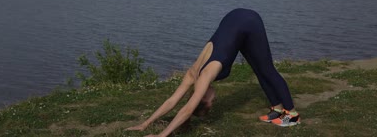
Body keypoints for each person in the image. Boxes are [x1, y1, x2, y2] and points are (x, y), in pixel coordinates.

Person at [126, 8, 300, 136]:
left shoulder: (203, 77)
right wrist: (145, 123)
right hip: (233, 19)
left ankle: (292, 115)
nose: (214, 99)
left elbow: (187, 109)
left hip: (248, 21)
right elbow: (171, 101)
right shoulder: (192, 74)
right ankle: (277, 110)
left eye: (211, 103)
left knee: (267, 69)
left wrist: (162, 135)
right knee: (258, 69)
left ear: (204, 100)